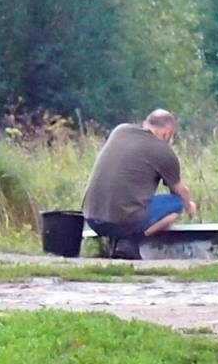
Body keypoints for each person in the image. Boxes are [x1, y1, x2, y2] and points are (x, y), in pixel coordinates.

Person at [81, 109, 198, 258]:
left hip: (92, 218)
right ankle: (130, 241)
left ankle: (120, 241)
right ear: (166, 133)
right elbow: (181, 192)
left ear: (145, 124)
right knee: (177, 203)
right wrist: (189, 207)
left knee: (134, 205)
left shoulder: (120, 130)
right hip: (121, 222)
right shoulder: (163, 152)